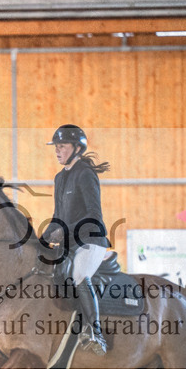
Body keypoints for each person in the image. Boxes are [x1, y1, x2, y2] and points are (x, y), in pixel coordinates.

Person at [41, 124, 111, 356]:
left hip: (91, 241)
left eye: (62, 146)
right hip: (69, 244)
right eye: (56, 147)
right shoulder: (60, 178)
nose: (57, 151)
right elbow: (56, 217)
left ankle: (95, 332)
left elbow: (94, 216)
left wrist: (66, 232)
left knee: (79, 275)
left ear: (77, 147)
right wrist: (38, 240)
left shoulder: (85, 174)